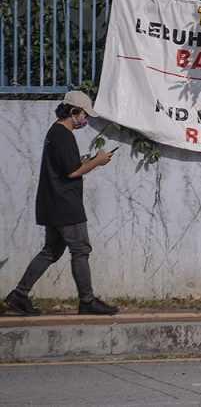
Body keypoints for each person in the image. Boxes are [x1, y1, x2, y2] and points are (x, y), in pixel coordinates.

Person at [4, 91, 118, 316]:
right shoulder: (63, 135)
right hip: (65, 204)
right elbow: (73, 171)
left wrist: (85, 161)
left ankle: (19, 295)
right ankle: (87, 301)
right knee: (81, 249)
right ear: (74, 112)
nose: (86, 120)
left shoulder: (55, 133)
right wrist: (97, 161)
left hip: (53, 202)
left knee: (51, 251)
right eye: (85, 115)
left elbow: (67, 166)